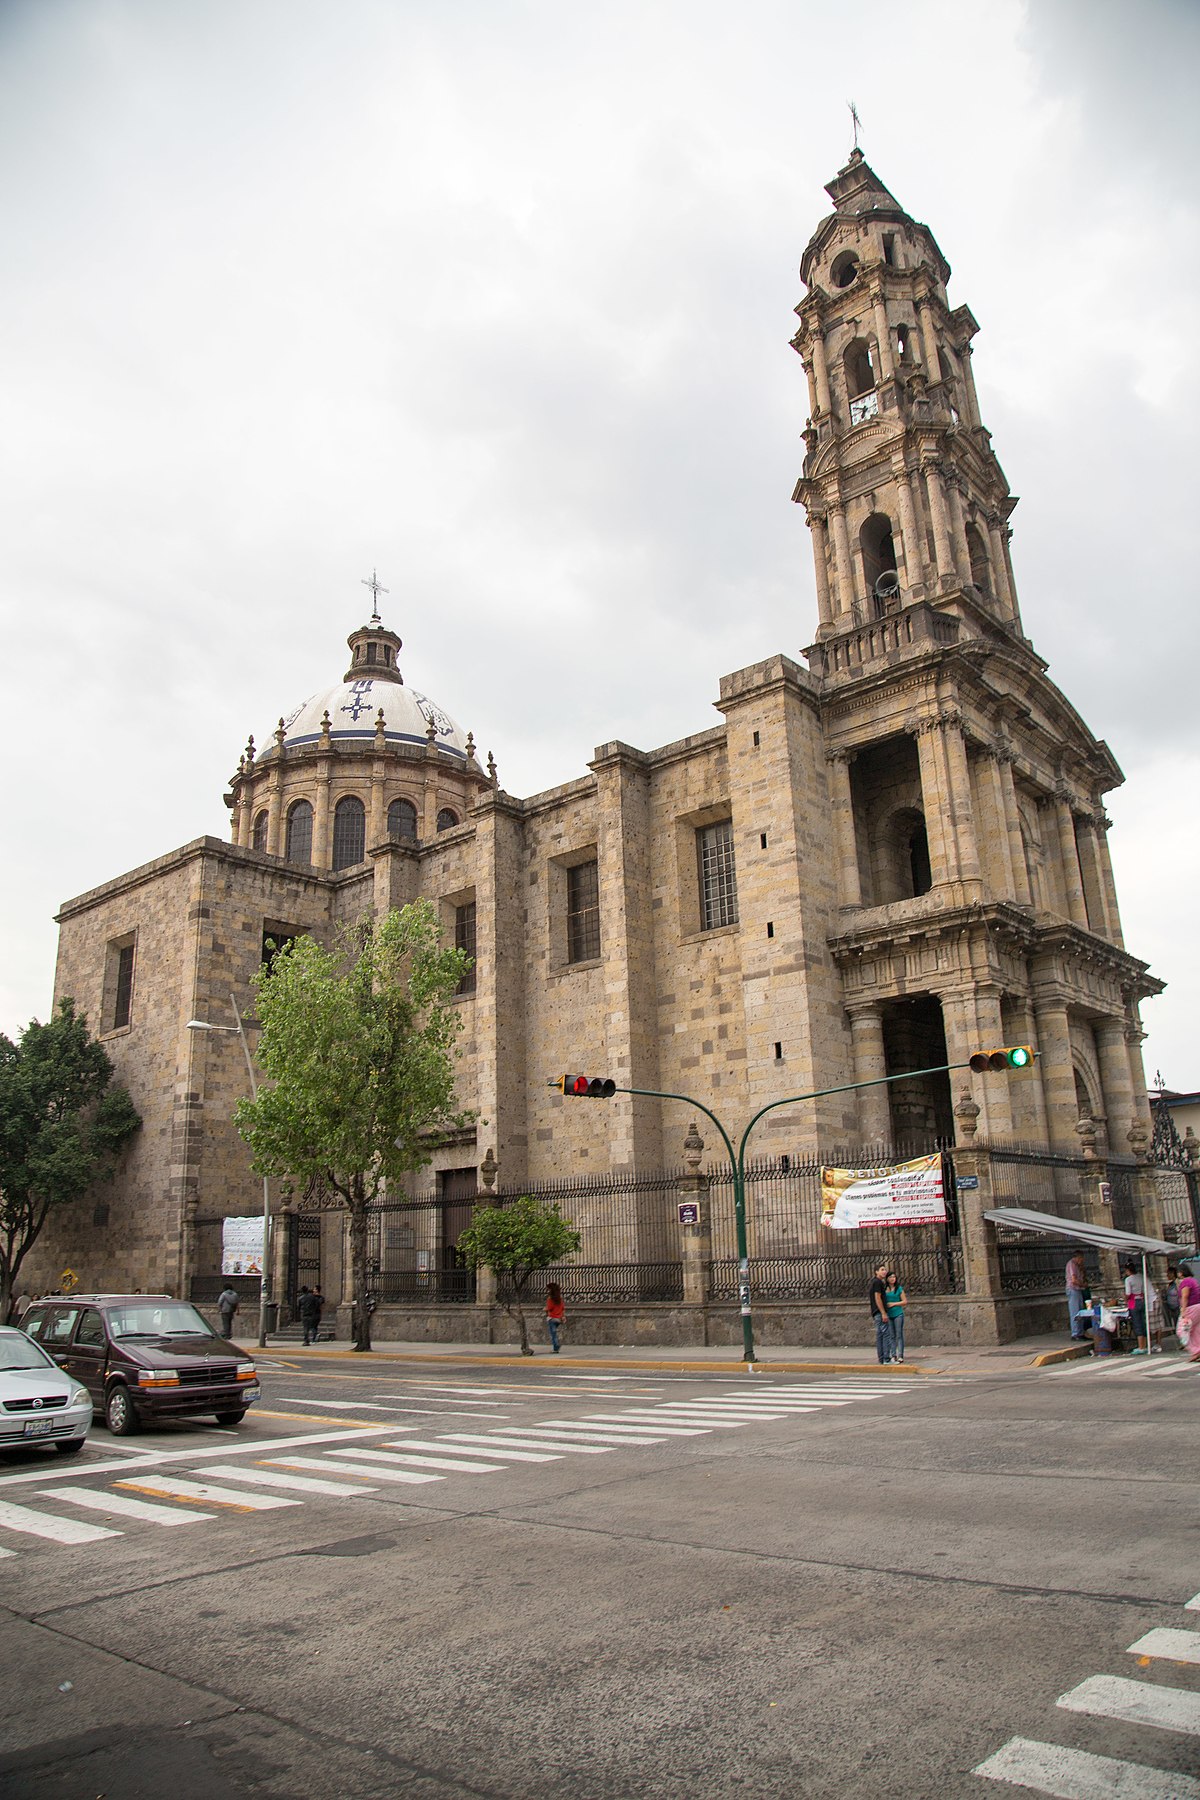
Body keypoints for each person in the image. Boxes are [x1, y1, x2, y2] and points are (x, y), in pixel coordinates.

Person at [1122, 1261, 1160, 1355]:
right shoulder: (1140, 1277)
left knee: (1137, 1323)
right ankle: (1146, 1344)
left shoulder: (1128, 1280)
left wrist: (1125, 1299)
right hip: (1142, 1301)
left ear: (1127, 1270)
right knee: (1143, 1322)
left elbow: (1128, 1293)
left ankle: (1141, 1346)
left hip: (1134, 1302)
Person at [869, 1262, 893, 1365]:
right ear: (876, 1272)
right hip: (879, 1312)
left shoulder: (875, 1282)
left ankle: (882, 1358)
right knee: (885, 1334)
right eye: (882, 1269)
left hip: (876, 1312)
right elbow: (877, 1298)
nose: (884, 1271)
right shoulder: (878, 1282)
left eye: (885, 1269)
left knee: (880, 1335)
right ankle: (886, 1358)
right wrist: (883, 1312)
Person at [1065, 1250, 1089, 1341]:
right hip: (1073, 1289)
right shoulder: (1071, 1264)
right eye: (1081, 1258)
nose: (1082, 1260)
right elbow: (1074, 1280)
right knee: (1075, 1312)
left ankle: (1080, 1332)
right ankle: (1075, 1333)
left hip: (1078, 1290)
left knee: (1080, 1311)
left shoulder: (1078, 1266)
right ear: (1078, 1257)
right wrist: (1083, 1285)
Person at [884, 1270, 907, 1363]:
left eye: (894, 1277)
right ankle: (893, 1354)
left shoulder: (899, 1289)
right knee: (891, 1335)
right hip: (889, 1314)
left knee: (899, 1334)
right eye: (890, 1277)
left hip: (898, 1313)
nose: (892, 1279)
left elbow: (904, 1301)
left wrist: (894, 1304)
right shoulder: (885, 1289)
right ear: (887, 1279)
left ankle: (900, 1355)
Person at [545, 1282, 565, 1353]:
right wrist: (563, 1316)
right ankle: (557, 1343)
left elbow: (549, 1308)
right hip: (559, 1318)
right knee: (556, 1332)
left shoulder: (550, 1299)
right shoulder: (559, 1299)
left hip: (552, 1318)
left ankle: (555, 1348)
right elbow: (562, 1308)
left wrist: (545, 1309)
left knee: (553, 1334)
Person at [1163, 1265, 1180, 1335]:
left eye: (1168, 1273)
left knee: (1179, 1323)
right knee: (1176, 1323)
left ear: (1172, 1273)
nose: (1167, 1275)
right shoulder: (1170, 1284)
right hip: (1172, 1308)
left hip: (1178, 1307)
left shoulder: (1177, 1283)